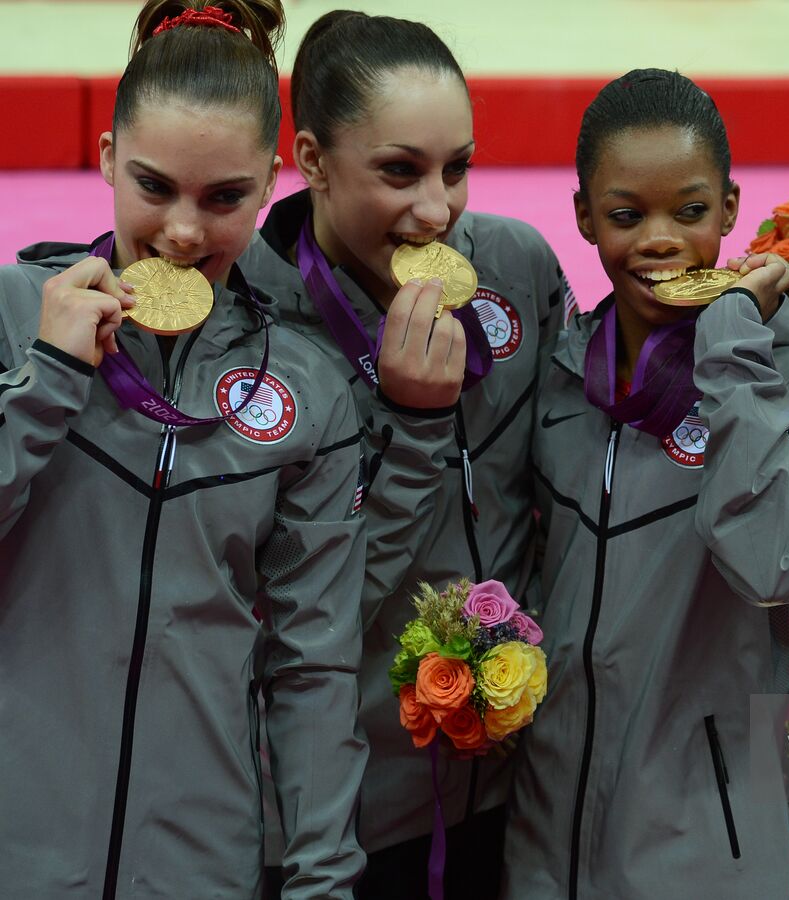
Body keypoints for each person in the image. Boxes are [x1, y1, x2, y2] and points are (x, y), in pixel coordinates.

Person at [0, 2, 368, 897]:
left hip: (200, 865)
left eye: (225, 197)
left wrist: (322, 879)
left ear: (274, 181)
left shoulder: (309, 389)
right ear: (105, 161)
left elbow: (314, 665)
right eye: (154, 186)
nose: (184, 233)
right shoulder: (13, 318)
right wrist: (48, 375)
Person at [238, 11, 572, 896]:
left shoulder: (516, 264)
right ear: (310, 158)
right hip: (347, 814)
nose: (438, 211)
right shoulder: (252, 337)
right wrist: (412, 427)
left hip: (519, 789)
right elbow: (300, 611)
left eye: (457, 167)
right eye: (399, 171)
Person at [500, 68, 789, 899]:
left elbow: (782, 568)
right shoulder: (558, 370)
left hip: (709, 844)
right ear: (585, 216)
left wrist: (731, 341)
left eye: (688, 213)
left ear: (729, 210)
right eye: (626, 216)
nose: (658, 240)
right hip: (546, 834)